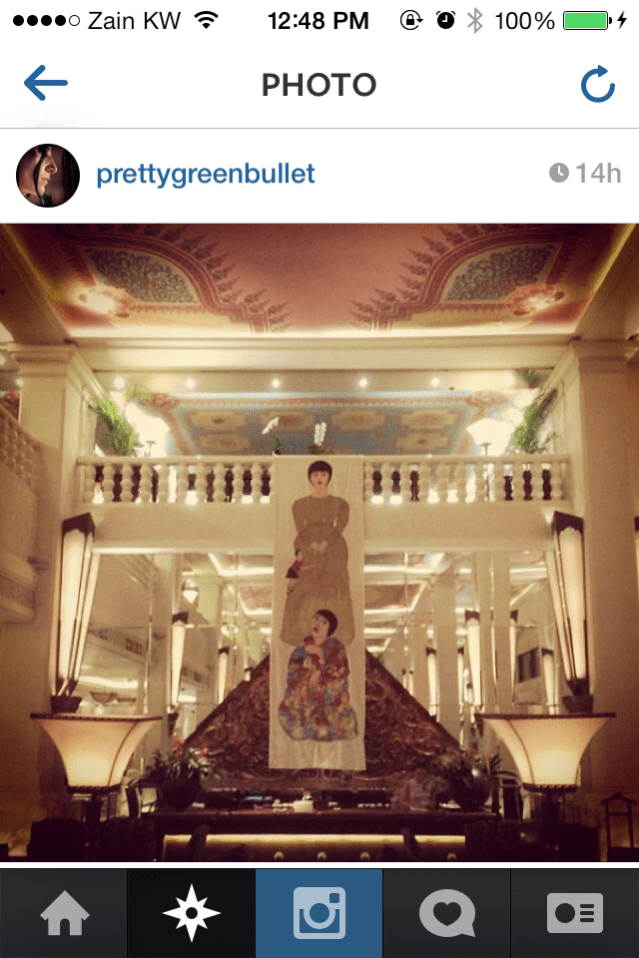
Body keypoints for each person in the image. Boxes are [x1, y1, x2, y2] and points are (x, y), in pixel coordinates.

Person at [280, 460, 354, 647]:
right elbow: (300, 529)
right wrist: (310, 545)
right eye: (315, 475)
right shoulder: (300, 504)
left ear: (329, 477)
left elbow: (340, 527)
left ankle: (337, 631)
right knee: (304, 587)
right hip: (308, 546)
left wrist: (326, 543)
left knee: (334, 587)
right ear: (310, 478)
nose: (319, 478)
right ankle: (301, 630)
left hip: (334, 547)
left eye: (323, 475)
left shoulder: (340, 504)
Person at [278, 609, 358, 741]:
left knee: (336, 700)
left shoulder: (336, 647)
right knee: (293, 702)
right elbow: (291, 674)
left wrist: (321, 666)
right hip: (305, 693)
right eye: (315, 619)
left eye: (324, 622)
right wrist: (307, 676)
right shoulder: (302, 647)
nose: (318, 624)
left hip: (329, 693)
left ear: (330, 629)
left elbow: (342, 671)